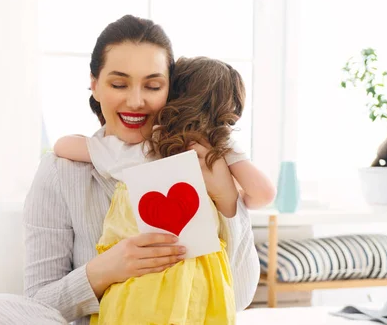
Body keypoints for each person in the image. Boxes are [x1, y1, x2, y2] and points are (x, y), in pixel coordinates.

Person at [0, 14, 261, 325]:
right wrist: (104, 270)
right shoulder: (61, 172)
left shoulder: (200, 166)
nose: (136, 101)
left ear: (171, 92)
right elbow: (38, 303)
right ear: (94, 85)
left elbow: (239, 298)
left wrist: (228, 200)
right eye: (119, 83)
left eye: (153, 85)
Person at [52, 56, 275, 324]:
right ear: (231, 109)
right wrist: (230, 192)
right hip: (202, 277)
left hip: (139, 280)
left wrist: (98, 138)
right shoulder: (220, 150)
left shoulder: (138, 146)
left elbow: (62, 146)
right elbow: (264, 194)